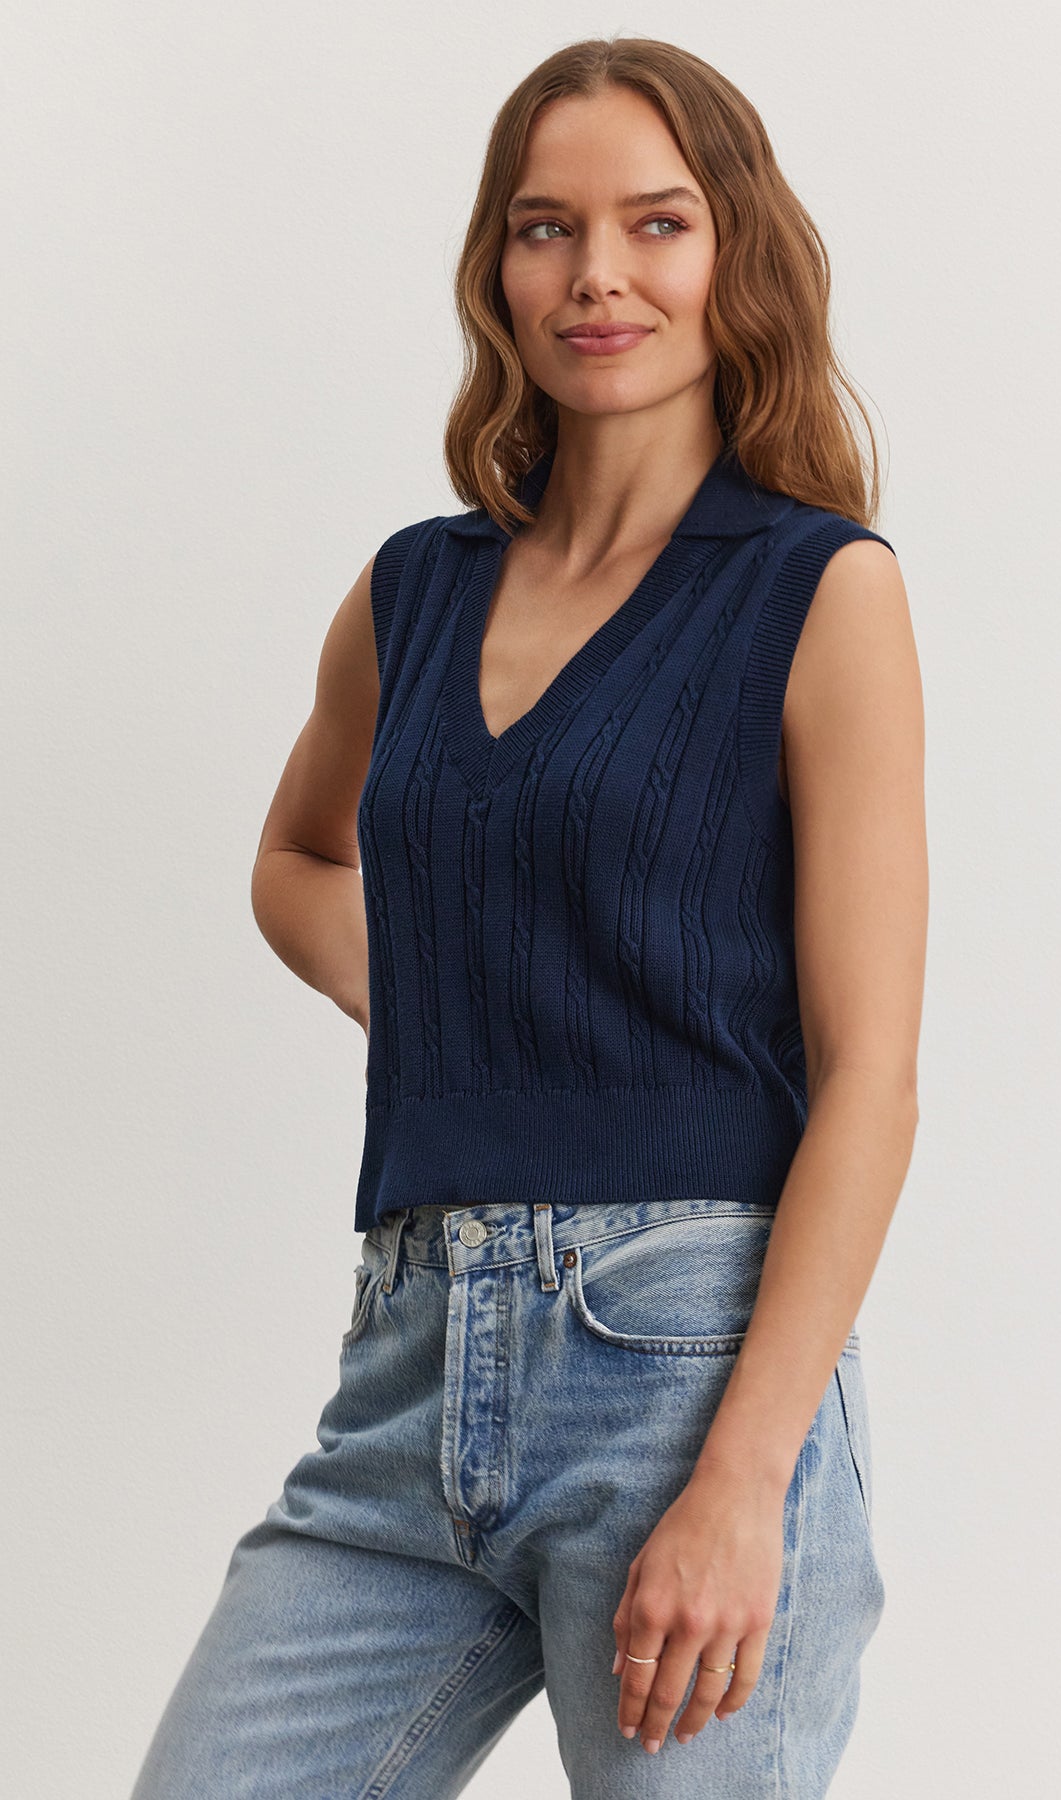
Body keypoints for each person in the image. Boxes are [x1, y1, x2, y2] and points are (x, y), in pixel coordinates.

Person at [130, 33, 926, 1800]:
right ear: (498, 265)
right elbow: (299, 860)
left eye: (656, 224)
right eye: (547, 228)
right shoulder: (414, 592)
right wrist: (453, 1018)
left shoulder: (819, 595)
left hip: (685, 1372)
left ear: (737, 253)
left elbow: (872, 1081)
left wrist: (743, 1485)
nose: (600, 277)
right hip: (407, 1377)